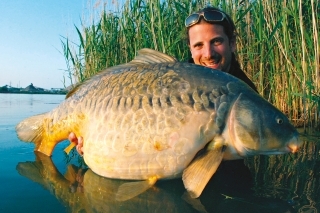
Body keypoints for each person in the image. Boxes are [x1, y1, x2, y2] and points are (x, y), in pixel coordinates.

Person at [69, 6, 257, 158]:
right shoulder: (174, 82)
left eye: (216, 41)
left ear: (232, 43)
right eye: (198, 45)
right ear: (190, 50)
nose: (208, 54)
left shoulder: (244, 94)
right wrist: (94, 143)